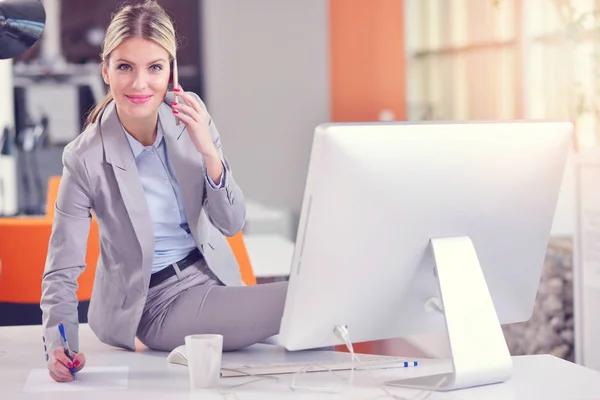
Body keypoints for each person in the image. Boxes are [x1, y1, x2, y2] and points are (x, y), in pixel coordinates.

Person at [40, 0, 288, 383]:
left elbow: (232, 222)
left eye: (154, 67)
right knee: (298, 301)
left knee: (303, 321)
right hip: (157, 303)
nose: (140, 84)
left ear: (171, 71)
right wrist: (60, 344)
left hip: (213, 278)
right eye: (125, 67)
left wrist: (209, 153)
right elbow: (62, 268)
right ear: (105, 70)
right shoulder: (84, 157)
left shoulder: (190, 116)